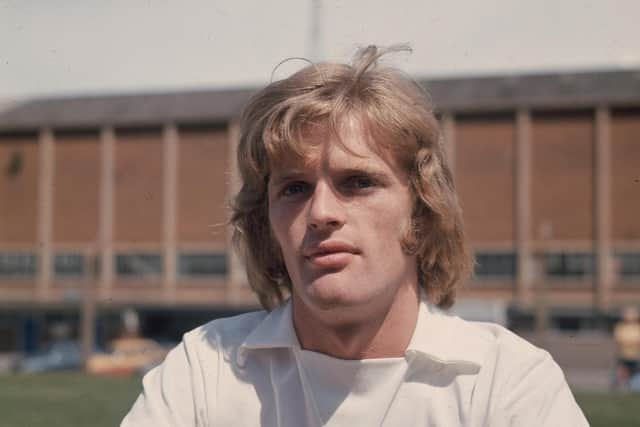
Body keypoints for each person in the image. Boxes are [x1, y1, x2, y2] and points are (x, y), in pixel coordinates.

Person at [121, 45, 588, 426]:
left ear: (422, 211)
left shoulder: (507, 384)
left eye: (358, 182)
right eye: (295, 188)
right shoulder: (205, 369)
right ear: (266, 224)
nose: (321, 212)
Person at [613, 305, 640, 389]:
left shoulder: (637, 327)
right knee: (622, 371)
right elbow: (619, 340)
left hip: (636, 355)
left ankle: (634, 386)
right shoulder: (620, 327)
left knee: (636, 372)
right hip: (624, 354)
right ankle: (620, 386)